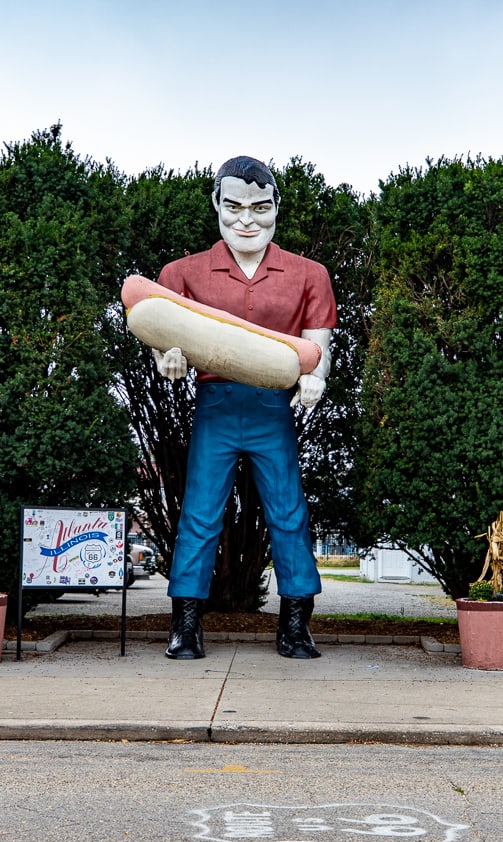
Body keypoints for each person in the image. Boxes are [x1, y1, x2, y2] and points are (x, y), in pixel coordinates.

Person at [152, 155, 335, 661]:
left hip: (271, 406)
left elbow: (317, 345)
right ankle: (185, 626)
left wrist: (314, 376)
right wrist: (166, 358)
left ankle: (295, 624)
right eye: (233, 206)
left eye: (259, 206)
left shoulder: (308, 274)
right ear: (215, 204)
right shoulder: (181, 272)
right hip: (216, 402)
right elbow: (161, 332)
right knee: (200, 512)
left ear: (277, 206)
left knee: (288, 511)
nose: (246, 219)